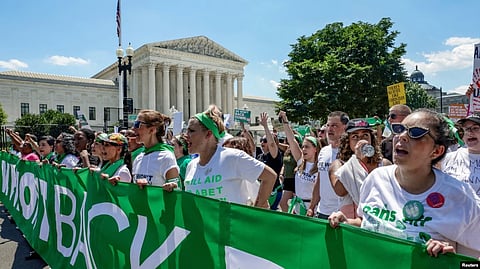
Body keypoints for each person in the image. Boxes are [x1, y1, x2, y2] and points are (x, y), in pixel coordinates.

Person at [329, 108, 480, 258]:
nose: (401, 137)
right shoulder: (375, 179)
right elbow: (366, 222)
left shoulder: (460, 197)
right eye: (399, 129)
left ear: (437, 151)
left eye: (415, 133)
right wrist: (348, 223)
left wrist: (451, 260)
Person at [184, 108, 276, 207]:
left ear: (208, 134)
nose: (186, 135)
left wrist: (256, 209)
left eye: (191, 131)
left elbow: (270, 176)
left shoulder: (232, 157)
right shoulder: (191, 165)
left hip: (232, 222)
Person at [329, 119, 391, 218]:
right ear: (347, 141)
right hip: (350, 223)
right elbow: (340, 191)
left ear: (371, 139)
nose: (360, 140)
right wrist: (356, 160)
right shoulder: (338, 165)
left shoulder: (384, 164)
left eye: (365, 135)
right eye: (355, 137)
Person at [442, 113, 480, 257]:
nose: (470, 132)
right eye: (466, 129)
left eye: (475, 128)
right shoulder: (450, 157)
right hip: (451, 237)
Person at [279, 111, 321, 215]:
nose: (303, 149)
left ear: (315, 149)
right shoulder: (300, 162)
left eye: (307, 147)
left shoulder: (320, 168)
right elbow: (292, 140)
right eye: (303, 146)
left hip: (312, 209)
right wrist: (285, 121)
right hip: (297, 206)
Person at [309, 111, 348, 219]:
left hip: (341, 214)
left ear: (345, 127)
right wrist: (312, 206)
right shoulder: (323, 151)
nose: (329, 129)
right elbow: (319, 180)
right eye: (328, 125)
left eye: (334, 126)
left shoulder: (350, 153)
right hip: (322, 211)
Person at [131, 110, 179, 191]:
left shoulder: (166, 157)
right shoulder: (138, 157)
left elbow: (177, 191)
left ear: (152, 130)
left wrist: (171, 187)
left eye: (137, 124)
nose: (133, 128)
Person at [257, 112, 283, 210]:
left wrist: (265, 127)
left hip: (274, 192)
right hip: (262, 190)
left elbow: (272, 145)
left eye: (265, 140)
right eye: (261, 141)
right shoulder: (260, 156)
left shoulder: (275, 156)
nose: (262, 142)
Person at [278, 134, 303, 212]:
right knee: (282, 202)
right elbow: (284, 164)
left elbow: (303, 162)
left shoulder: (300, 152)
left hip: (295, 179)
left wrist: (298, 167)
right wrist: (281, 173)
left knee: (297, 203)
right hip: (287, 179)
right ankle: (289, 217)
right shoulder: (287, 150)